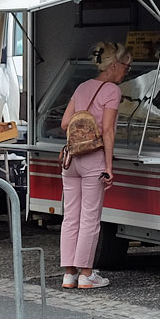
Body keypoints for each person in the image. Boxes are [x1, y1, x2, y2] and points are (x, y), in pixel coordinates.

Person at [58, 42, 129, 290]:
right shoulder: (112, 91)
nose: (126, 72)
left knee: (70, 217)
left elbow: (65, 123)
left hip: (71, 159)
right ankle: (87, 274)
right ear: (115, 65)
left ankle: (69, 274)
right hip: (93, 159)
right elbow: (108, 131)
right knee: (90, 218)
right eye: (126, 67)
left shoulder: (81, 87)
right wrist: (109, 166)